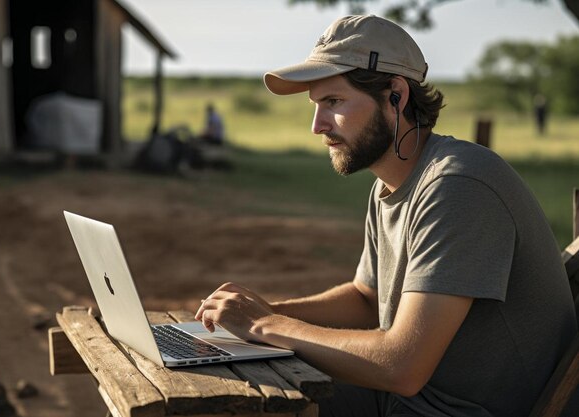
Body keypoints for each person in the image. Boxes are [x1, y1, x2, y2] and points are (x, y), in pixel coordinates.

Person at [195, 15, 577, 417]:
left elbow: (402, 366)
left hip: (447, 409)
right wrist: (267, 311)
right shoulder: (390, 185)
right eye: (317, 105)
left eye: (334, 102)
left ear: (396, 95)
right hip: (407, 402)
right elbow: (367, 299)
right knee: (223, 388)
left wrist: (262, 326)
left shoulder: (458, 185)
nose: (317, 125)